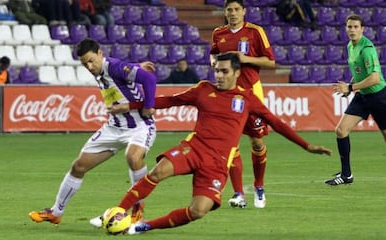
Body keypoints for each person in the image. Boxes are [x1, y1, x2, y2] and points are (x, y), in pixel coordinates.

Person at [108, 52, 332, 234]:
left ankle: (143, 226)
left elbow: (276, 122)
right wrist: (131, 106)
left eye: (224, 71)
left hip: (217, 163)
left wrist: (306, 145)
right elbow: (169, 100)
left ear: (236, 72)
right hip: (193, 148)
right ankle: (117, 211)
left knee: (198, 211)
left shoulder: (247, 99)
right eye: (217, 70)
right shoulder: (203, 89)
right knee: (158, 172)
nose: (219, 75)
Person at [28, 38, 157, 224]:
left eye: (91, 61)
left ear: (100, 54)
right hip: (113, 127)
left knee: (133, 157)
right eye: (84, 64)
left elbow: (149, 78)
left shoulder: (113, 67)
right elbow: (126, 72)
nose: (89, 66)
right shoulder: (102, 68)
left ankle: (138, 207)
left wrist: (149, 106)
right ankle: (55, 212)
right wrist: (136, 66)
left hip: (139, 126)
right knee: (78, 166)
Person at [210, 0, 275, 209]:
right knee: (231, 143)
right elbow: (213, 52)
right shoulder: (218, 33)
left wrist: (245, 58)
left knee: (257, 142)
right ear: (225, 12)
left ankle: (259, 185)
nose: (233, 13)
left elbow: (270, 61)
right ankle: (238, 193)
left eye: (237, 9)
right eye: (229, 9)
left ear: (244, 11)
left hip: (251, 93)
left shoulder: (256, 32)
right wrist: (214, 62)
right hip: (227, 95)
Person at [325, 14, 386, 186]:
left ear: (362, 29)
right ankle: (346, 175)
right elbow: (359, 71)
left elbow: (374, 78)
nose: (352, 30)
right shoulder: (350, 46)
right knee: (341, 130)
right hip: (362, 96)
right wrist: (351, 86)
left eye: (355, 27)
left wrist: (351, 88)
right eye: (349, 27)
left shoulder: (367, 49)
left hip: (379, 97)